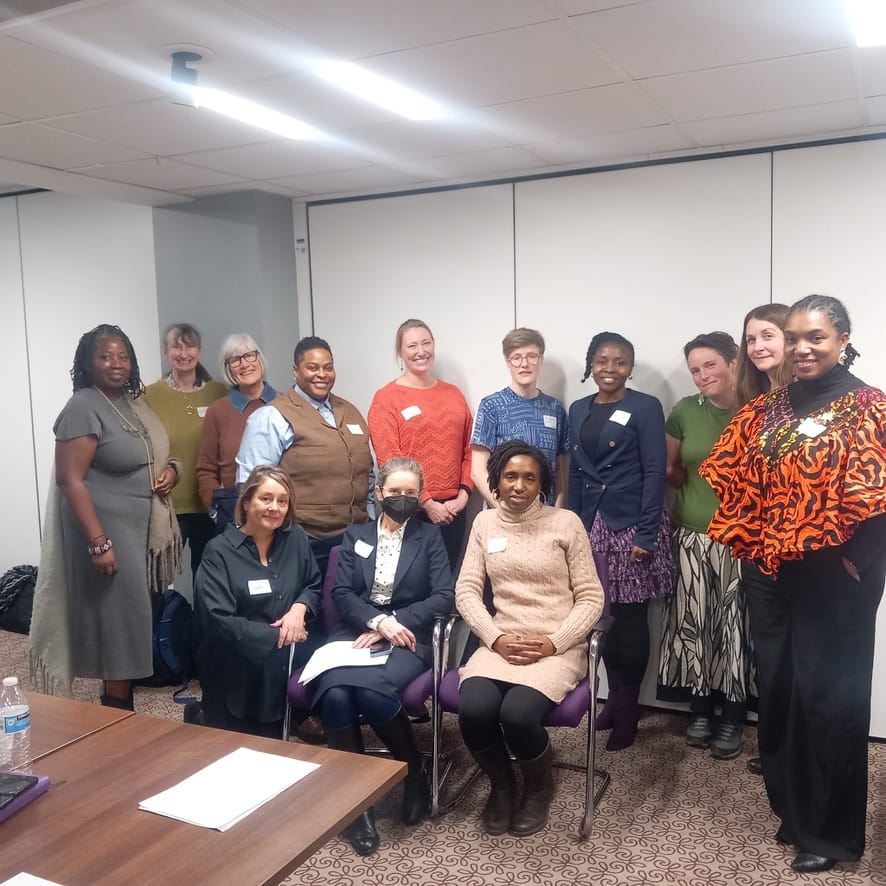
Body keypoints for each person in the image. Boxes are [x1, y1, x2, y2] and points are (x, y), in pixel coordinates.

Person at [701, 295, 886, 873]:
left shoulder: (867, 407)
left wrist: (861, 558)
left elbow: (878, 495)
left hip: (835, 575)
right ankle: (795, 810)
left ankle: (831, 834)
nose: (803, 349)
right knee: (780, 695)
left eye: (817, 338)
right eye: (795, 337)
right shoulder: (770, 407)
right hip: (770, 571)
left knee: (829, 702)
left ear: (843, 338)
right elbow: (735, 474)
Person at [455, 441, 604, 837]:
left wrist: (556, 641)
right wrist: (495, 637)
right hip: (500, 641)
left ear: (542, 483)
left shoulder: (566, 522)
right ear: (497, 481)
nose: (518, 485)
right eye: (510, 476)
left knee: (517, 715)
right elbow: (466, 591)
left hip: (556, 645)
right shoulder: (484, 524)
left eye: (529, 477)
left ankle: (538, 787)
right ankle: (503, 785)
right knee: (474, 710)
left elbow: (591, 597)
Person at [29, 324, 181, 709]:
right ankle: (117, 709)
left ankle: (117, 699)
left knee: (131, 620)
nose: (116, 364)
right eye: (106, 356)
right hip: (107, 532)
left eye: (123, 356)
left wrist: (173, 471)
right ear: (87, 362)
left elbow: (154, 452)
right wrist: (99, 542)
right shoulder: (83, 406)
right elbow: (70, 480)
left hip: (137, 529)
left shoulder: (132, 403)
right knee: (120, 622)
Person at [310, 457, 454, 856]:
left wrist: (394, 623)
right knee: (336, 696)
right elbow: (341, 594)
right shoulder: (355, 534)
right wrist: (375, 621)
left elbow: (444, 596)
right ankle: (357, 805)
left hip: (409, 636)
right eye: (395, 492)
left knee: (372, 696)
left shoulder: (428, 537)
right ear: (379, 494)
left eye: (411, 493)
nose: (403, 499)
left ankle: (413, 773)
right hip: (355, 633)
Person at [567, 332, 671, 751]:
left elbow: (655, 473)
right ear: (590, 363)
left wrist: (646, 534)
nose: (610, 369)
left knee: (630, 620)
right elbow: (575, 473)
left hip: (632, 527)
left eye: (620, 362)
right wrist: (571, 528)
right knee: (601, 617)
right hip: (591, 526)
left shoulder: (645, 407)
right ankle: (611, 701)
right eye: (602, 360)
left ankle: (628, 708)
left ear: (631, 366)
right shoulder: (578, 408)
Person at [657, 331, 752, 761]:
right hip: (692, 535)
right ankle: (699, 709)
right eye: (695, 369)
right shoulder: (683, 411)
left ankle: (732, 714)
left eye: (710, 365)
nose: (701, 376)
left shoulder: (760, 408)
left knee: (734, 628)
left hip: (743, 538)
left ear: (734, 362)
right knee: (693, 624)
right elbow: (673, 471)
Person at [194, 465, 323, 736]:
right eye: (266, 498)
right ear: (247, 500)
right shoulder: (219, 551)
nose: (274, 507)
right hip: (233, 664)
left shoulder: (296, 538)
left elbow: (313, 584)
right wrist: (277, 637)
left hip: (282, 659)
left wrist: (299, 610)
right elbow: (218, 620)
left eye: (282, 501)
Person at [236, 335, 373, 582]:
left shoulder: (350, 410)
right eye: (312, 367)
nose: (322, 374)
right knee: (308, 613)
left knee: (347, 612)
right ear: (296, 371)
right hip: (303, 542)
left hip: (355, 539)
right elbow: (252, 485)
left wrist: (371, 519)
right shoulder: (272, 416)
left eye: (328, 367)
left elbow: (367, 473)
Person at [368, 319, 473, 569]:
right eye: (412, 345)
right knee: (411, 583)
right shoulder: (386, 399)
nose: (421, 351)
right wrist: (427, 502)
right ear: (400, 352)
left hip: (453, 509)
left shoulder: (454, 394)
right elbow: (389, 459)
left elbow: (469, 449)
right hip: (409, 509)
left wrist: (464, 494)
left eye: (426, 343)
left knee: (445, 581)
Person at [144, 323, 227, 580]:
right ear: (165, 351)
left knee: (209, 581)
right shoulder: (150, 395)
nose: (183, 353)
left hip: (211, 504)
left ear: (199, 351)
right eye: (176, 346)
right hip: (169, 505)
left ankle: (201, 622)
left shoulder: (219, 392)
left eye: (189, 345)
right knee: (158, 581)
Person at [471, 327, 569, 507]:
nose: (525, 364)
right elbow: (477, 470)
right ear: (507, 361)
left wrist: (558, 512)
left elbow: (561, 470)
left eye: (532, 356)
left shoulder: (555, 408)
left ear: (541, 359)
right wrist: (502, 507)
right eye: (516, 358)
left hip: (545, 515)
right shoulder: (491, 406)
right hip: (502, 513)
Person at [196, 334, 277, 532]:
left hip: (280, 511)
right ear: (228, 368)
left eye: (249, 355)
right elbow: (206, 469)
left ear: (259, 359)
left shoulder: (284, 404)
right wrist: (216, 512)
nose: (244, 364)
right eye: (235, 360)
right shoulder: (218, 410)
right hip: (234, 514)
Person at [735, 303, 793, 406]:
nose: (757, 347)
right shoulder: (751, 397)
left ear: (791, 339)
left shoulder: (807, 393)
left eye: (767, 336)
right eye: (751, 340)